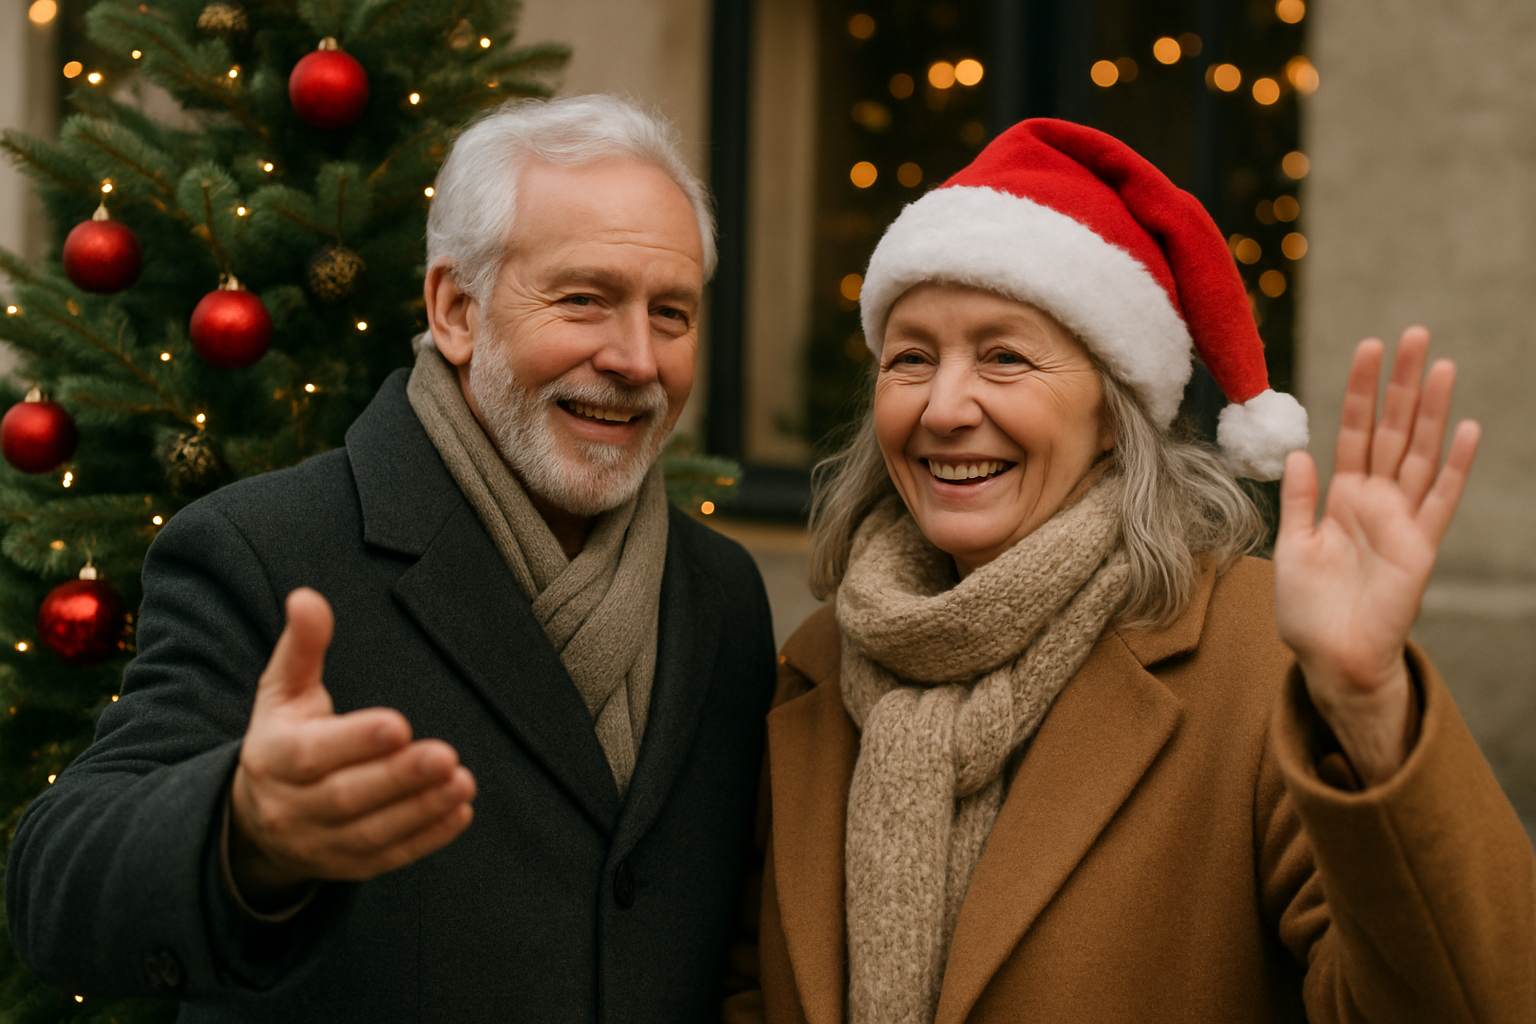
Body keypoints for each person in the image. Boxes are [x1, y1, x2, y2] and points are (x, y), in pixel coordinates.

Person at [724, 119, 1535, 1024]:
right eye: (911, 357)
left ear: (1115, 413)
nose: (944, 407)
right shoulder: (818, 663)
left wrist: (1369, 705)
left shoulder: (1258, 660)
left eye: (1004, 357)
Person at [7, 95, 777, 1023]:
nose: (637, 359)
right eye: (584, 299)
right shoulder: (265, 551)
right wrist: (243, 832)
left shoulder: (722, 595)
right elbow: (56, 885)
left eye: (672, 314)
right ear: (456, 310)